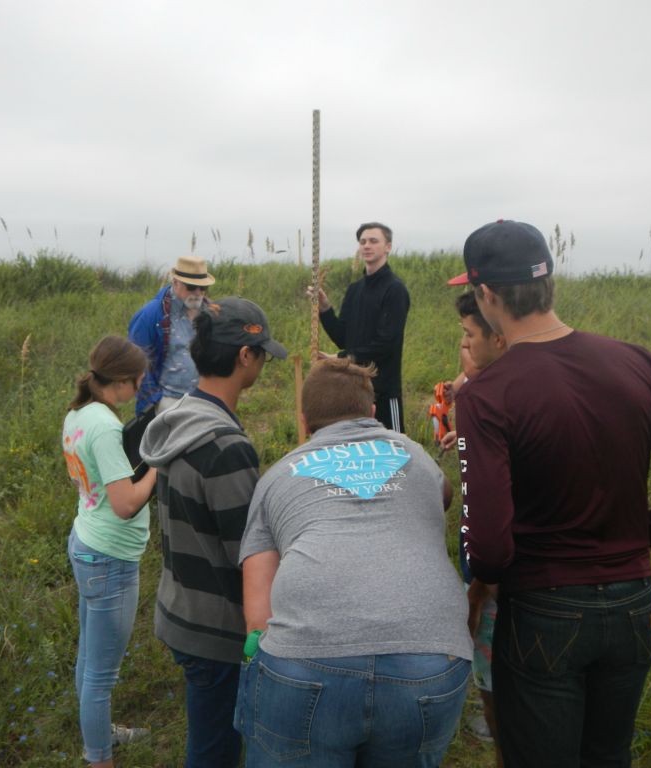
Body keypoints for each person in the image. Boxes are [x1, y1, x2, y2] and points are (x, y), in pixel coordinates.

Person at [453, 219, 651, 768]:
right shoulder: (635, 361)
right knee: (608, 756)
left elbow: (489, 548)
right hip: (633, 604)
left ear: (485, 296)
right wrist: (635, 540)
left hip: (543, 609)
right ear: (548, 280)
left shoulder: (487, 394)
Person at [236, 357, 473, 767]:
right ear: (373, 414)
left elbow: (257, 617)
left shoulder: (276, 477)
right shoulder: (414, 455)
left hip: (305, 662)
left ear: (305, 421)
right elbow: (444, 496)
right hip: (430, 658)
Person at [140, 297, 287, 768]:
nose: (263, 362)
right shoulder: (225, 445)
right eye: (262, 353)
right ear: (245, 356)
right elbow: (247, 553)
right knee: (216, 749)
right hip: (214, 628)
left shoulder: (182, 415)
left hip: (179, 604)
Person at [62, 335, 159, 768]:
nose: (140, 387)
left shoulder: (80, 414)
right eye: (138, 381)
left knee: (89, 657)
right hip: (110, 556)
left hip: (86, 541)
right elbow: (125, 504)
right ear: (120, 381)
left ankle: (99, 731)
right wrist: (157, 464)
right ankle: (99, 758)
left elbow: (97, 485)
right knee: (101, 676)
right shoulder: (104, 427)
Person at [441, 290, 507, 766]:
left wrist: (480, 584)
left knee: (487, 623)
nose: (462, 348)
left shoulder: (493, 397)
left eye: (467, 337)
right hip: (480, 535)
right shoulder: (476, 393)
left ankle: (494, 714)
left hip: (496, 554)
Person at [308, 222, 410, 431]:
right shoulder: (355, 290)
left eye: (374, 241)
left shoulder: (395, 289)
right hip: (353, 390)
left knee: (393, 451)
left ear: (387, 247)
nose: (367, 246)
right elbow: (343, 337)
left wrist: (344, 358)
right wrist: (325, 308)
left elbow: (386, 343)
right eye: (363, 241)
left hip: (383, 391)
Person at [127, 255, 216, 417]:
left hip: (203, 399)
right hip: (168, 401)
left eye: (202, 288)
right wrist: (155, 400)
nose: (198, 293)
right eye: (191, 286)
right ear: (175, 282)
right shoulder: (151, 315)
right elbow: (135, 361)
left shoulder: (211, 313)